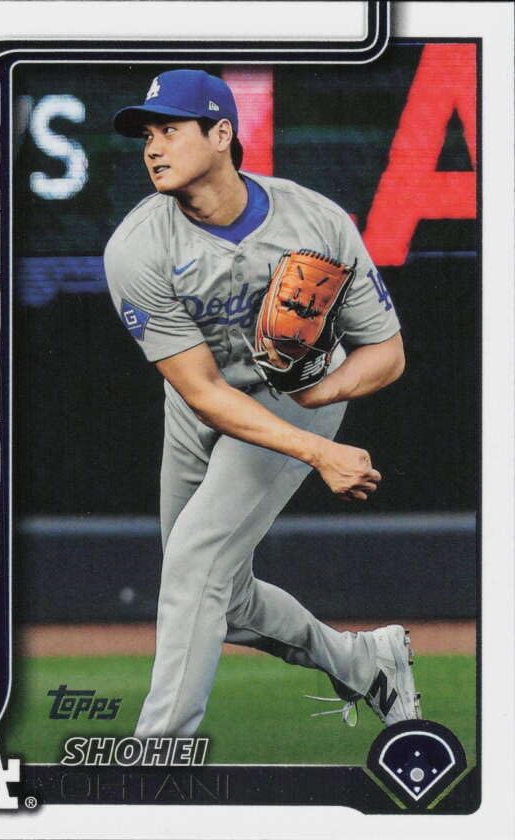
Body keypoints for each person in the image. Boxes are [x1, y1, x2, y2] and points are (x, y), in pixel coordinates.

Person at [104, 69, 420, 738]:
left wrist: (322, 394)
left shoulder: (314, 221)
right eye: (146, 134)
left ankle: (157, 760)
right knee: (224, 598)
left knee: (195, 566)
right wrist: (319, 453)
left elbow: (387, 352)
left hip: (292, 399)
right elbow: (202, 392)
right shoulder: (137, 248)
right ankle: (364, 662)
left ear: (222, 134)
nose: (153, 147)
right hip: (202, 407)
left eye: (170, 129)